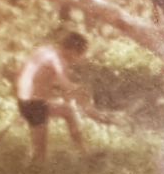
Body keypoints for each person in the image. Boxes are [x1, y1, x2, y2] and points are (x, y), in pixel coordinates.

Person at [15, 32, 110, 163]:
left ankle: (85, 154)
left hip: (26, 100)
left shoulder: (45, 51)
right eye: (80, 54)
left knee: (68, 111)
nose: (79, 59)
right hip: (34, 104)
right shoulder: (59, 60)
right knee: (40, 156)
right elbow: (64, 83)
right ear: (72, 51)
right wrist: (84, 99)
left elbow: (34, 75)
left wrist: (24, 102)